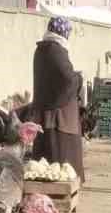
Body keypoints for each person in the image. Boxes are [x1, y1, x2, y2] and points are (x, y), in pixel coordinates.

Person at [32, 16, 87, 182]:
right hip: (58, 113)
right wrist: (79, 77)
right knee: (61, 154)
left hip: (46, 108)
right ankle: (61, 186)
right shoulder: (55, 49)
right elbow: (67, 79)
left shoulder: (43, 48)